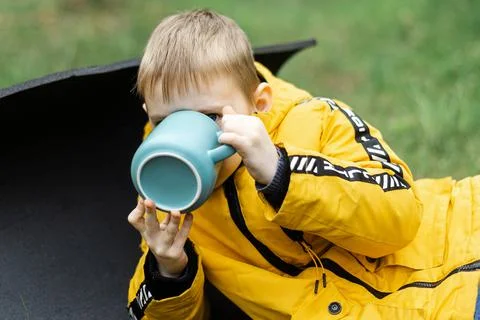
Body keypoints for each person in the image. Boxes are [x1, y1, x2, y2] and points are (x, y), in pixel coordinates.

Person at [126, 9, 480, 319]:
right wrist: (169, 270)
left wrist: (284, 172)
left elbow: (399, 217)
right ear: (149, 115)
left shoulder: (317, 121)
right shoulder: (173, 205)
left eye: (209, 116)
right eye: (164, 122)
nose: (186, 132)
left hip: (460, 248)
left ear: (259, 103)